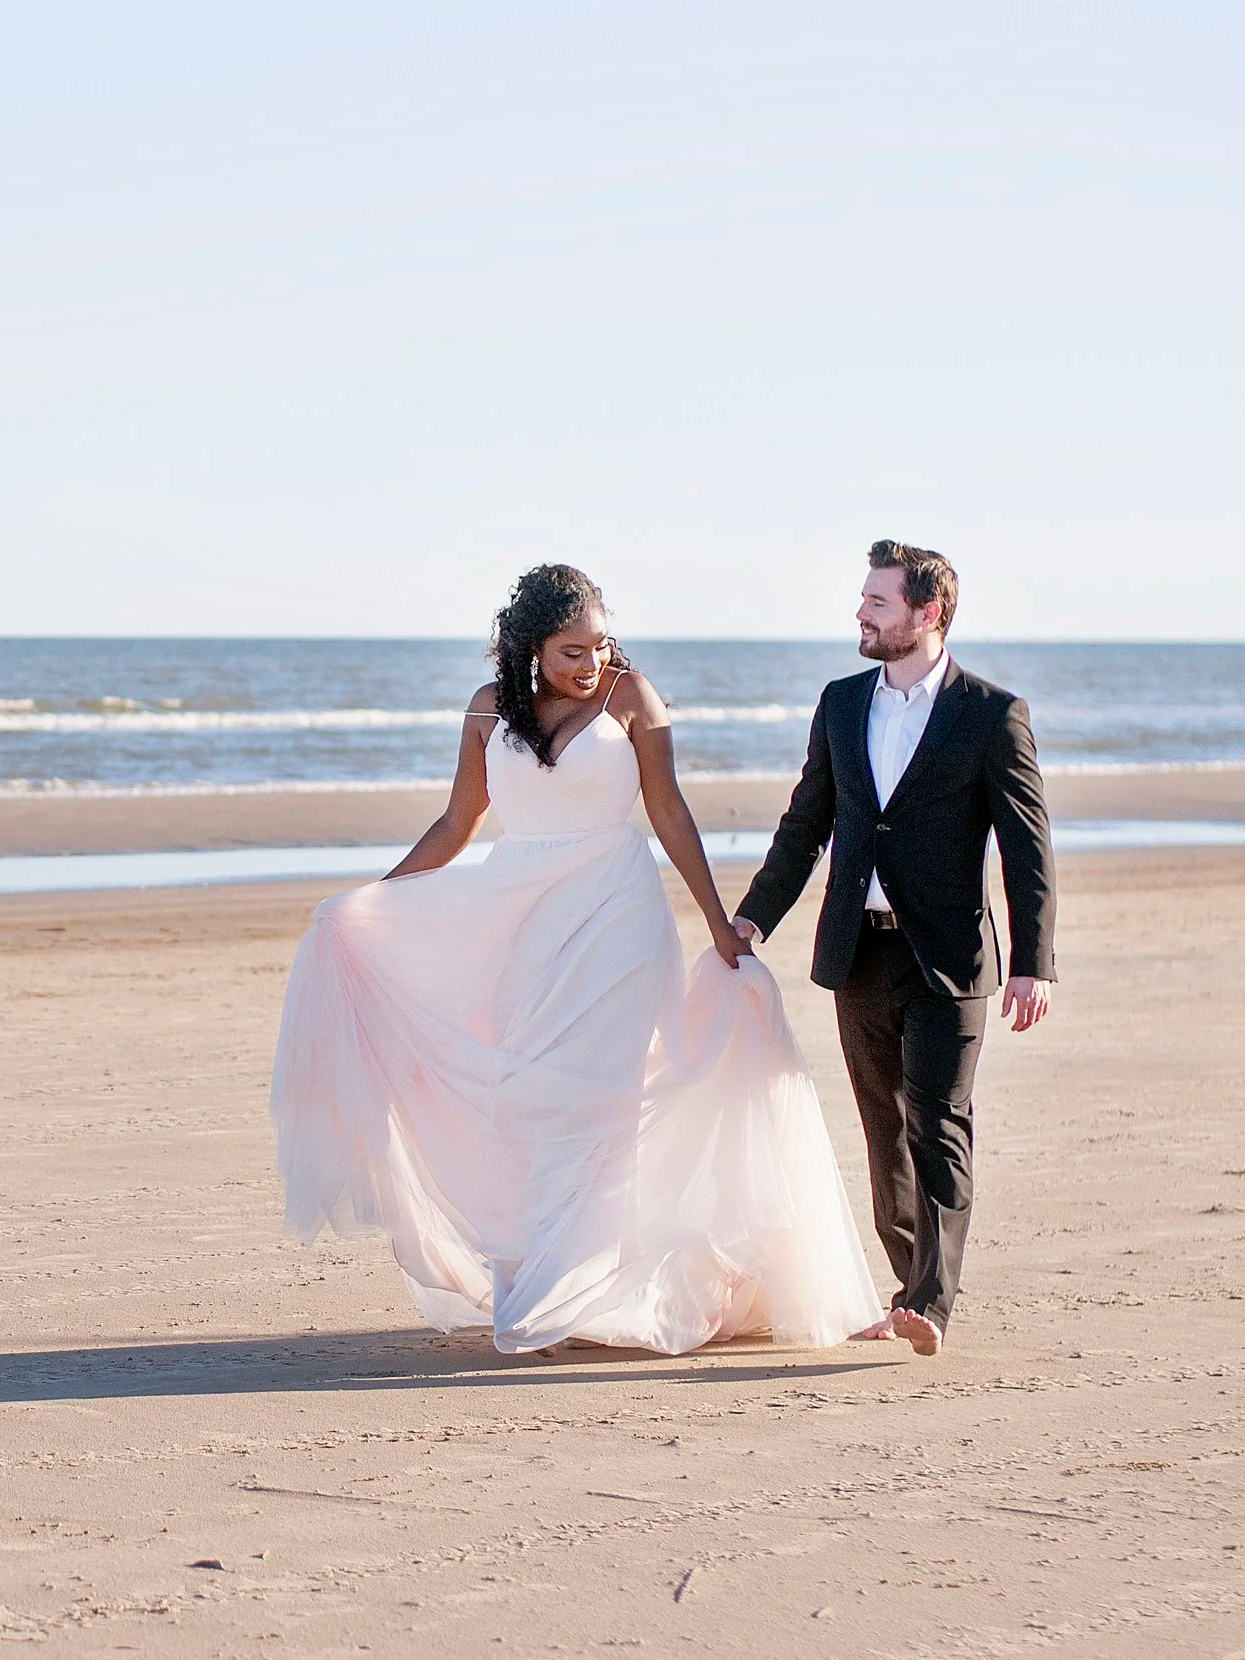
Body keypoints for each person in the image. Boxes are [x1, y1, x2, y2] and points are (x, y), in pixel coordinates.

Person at [270, 564, 881, 1356]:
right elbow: (460, 821)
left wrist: (715, 922)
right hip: (521, 917)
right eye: (569, 651)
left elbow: (667, 810)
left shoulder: (631, 698)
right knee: (526, 1097)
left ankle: (570, 1290)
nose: (589, 662)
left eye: (596, 644)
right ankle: (538, 1275)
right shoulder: (489, 711)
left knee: (597, 1096)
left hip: (618, 915)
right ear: (529, 647)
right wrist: (376, 903)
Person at [733, 541, 1056, 1357]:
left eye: (877, 602)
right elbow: (807, 822)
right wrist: (751, 920)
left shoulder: (989, 714)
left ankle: (930, 1305)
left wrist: (1032, 962)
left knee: (937, 1122)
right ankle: (908, 1287)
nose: (860, 614)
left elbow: (1026, 846)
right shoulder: (842, 703)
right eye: (864, 599)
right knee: (885, 1130)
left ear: (927, 614)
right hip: (858, 954)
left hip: (948, 958)